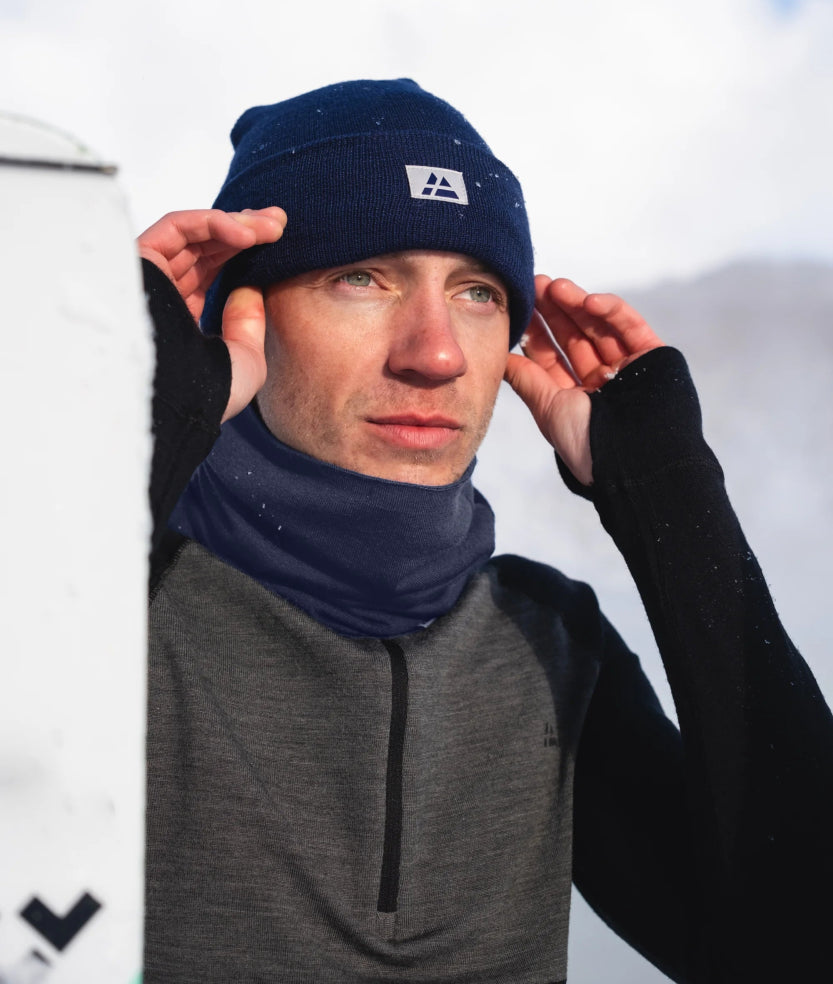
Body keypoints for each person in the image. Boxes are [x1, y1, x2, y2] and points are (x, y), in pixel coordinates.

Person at [138, 79, 833, 984]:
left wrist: (671, 501)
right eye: (362, 278)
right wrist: (129, 433)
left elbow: (795, 948)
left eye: (475, 292)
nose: (434, 354)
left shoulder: (547, 645)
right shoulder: (117, 604)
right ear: (240, 316)